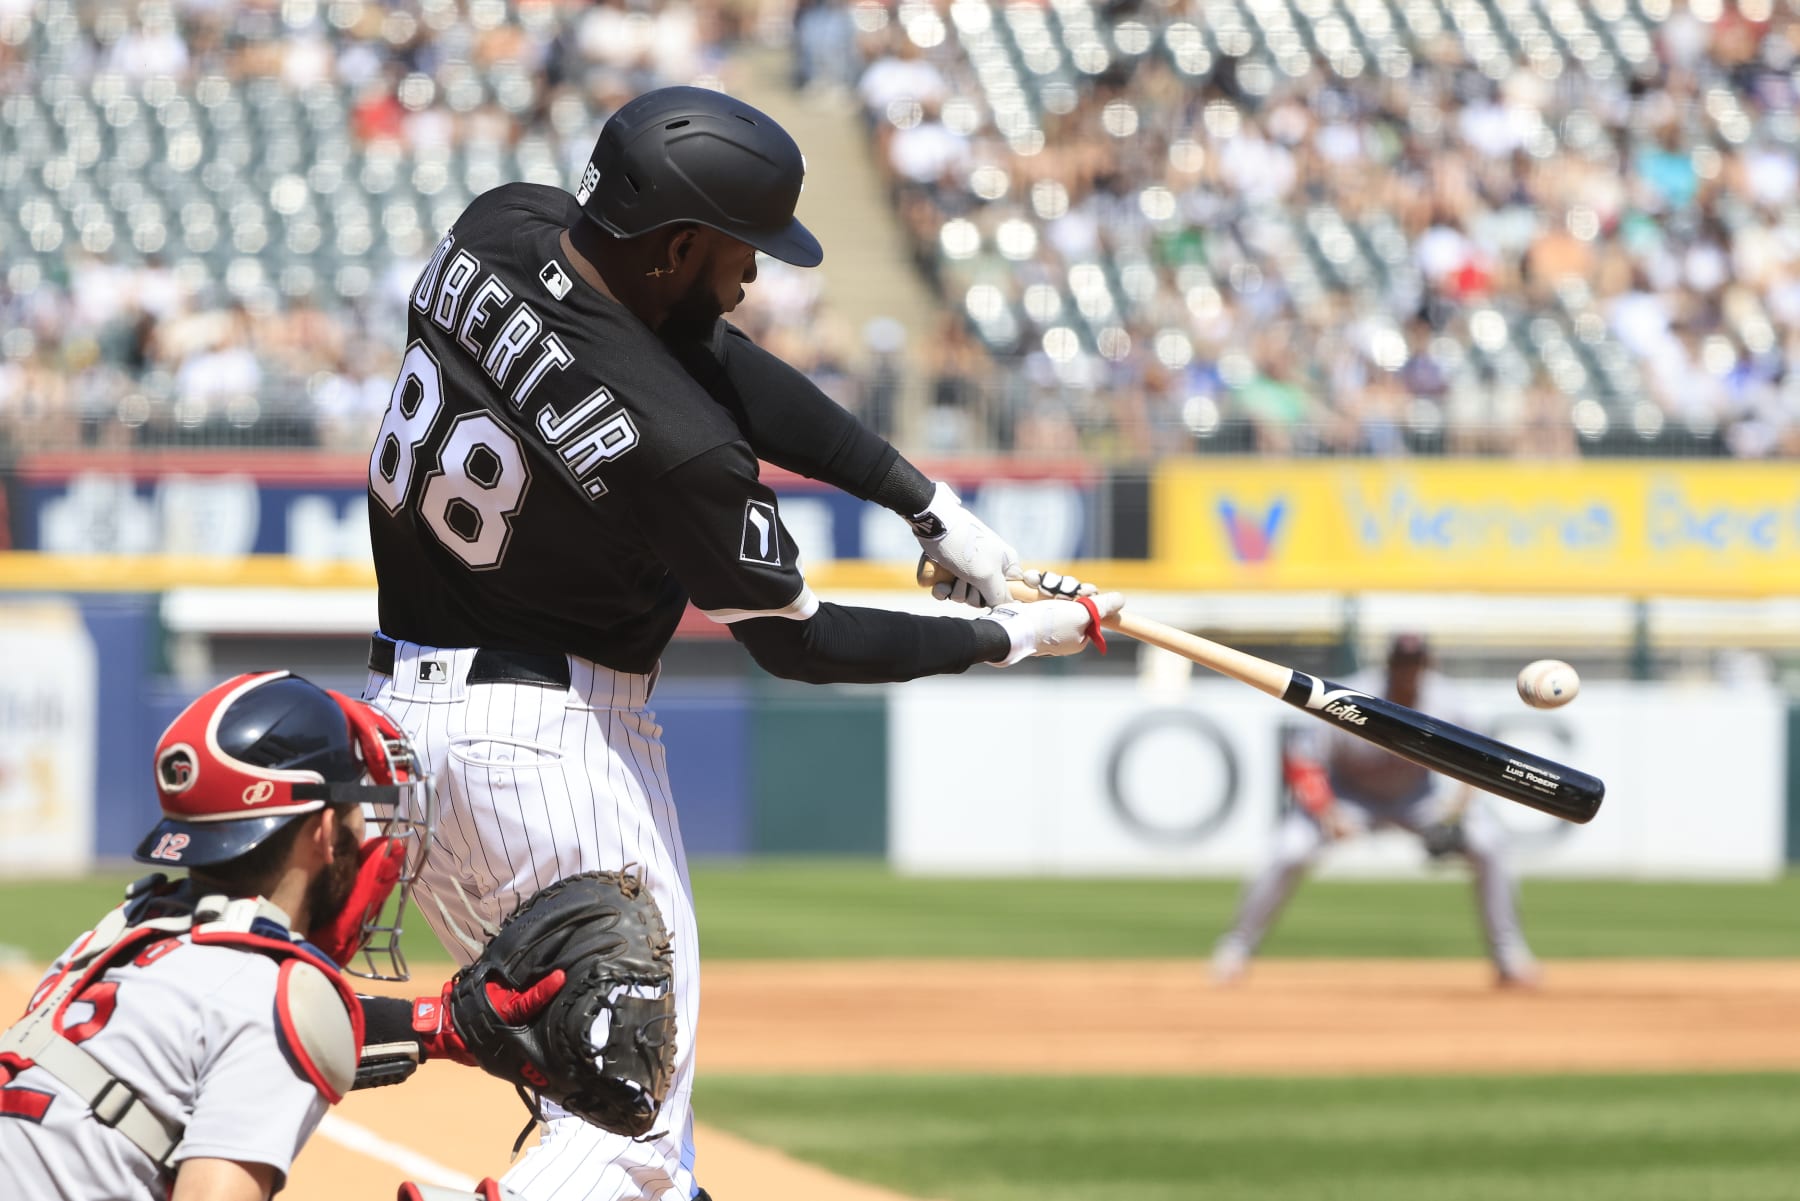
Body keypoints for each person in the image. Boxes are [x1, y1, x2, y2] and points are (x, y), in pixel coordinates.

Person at [361, 85, 1120, 1201]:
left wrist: (920, 499)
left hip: (412, 732)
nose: (753, 275)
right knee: (631, 1133)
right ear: (673, 246)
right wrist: (1005, 635)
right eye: (737, 250)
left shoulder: (500, 227)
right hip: (549, 758)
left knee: (615, 1102)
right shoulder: (679, 451)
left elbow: (710, 357)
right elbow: (801, 642)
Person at [0, 672, 438, 1201]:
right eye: (356, 808)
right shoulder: (270, 996)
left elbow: (214, 1020)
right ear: (323, 832)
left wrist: (438, 1024)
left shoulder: (119, 935)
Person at [1210, 634, 1540, 988]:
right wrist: (1327, 812)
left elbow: (1480, 763)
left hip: (1417, 799)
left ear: (1427, 666)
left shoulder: (1446, 700)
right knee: (1289, 850)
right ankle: (1236, 950)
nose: (1407, 672)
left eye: (1414, 664)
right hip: (1347, 796)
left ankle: (1509, 956)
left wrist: (1454, 813)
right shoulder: (1351, 696)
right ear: (1388, 665)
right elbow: (1302, 756)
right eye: (1401, 664)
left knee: (1488, 844)